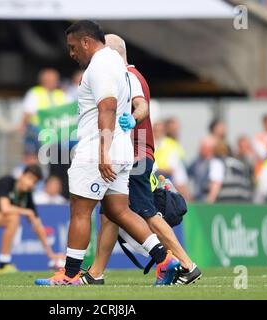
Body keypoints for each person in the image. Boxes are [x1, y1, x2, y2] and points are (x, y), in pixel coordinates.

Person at [35, 20, 180, 286]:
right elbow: (135, 105)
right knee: (118, 210)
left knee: (80, 209)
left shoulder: (100, 65)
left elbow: (108, 108)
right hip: (123, 148)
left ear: (87, 42)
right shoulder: (118, 65)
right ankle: (165, 259)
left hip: (98, 148)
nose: (71, 53)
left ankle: (69, 275)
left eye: (73, 46)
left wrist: (103, 150)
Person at [79, 34, 200, 286]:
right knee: (111, 213)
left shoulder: (127, 77)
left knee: (147, 213)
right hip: (135, 154)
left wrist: (130, 121)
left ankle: (187, 265)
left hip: (134, 156)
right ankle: (95, 273)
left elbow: (139, 108)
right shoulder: (133, 76)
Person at [18, 68, 68, 155]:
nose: (52, 83)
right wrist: (22, 127)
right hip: (37, 132)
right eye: (49, 80)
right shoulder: (34, 93)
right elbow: (27, 113)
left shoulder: (61, 94)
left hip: (58, 132)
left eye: (54, 80)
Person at [154, 117, 191, 201]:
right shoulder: (149, 144)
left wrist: (156, 168)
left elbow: (173, 169)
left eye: (160, 131)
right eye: (155, 131)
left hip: (167, 182)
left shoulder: (172, 145)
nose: (157, 133)